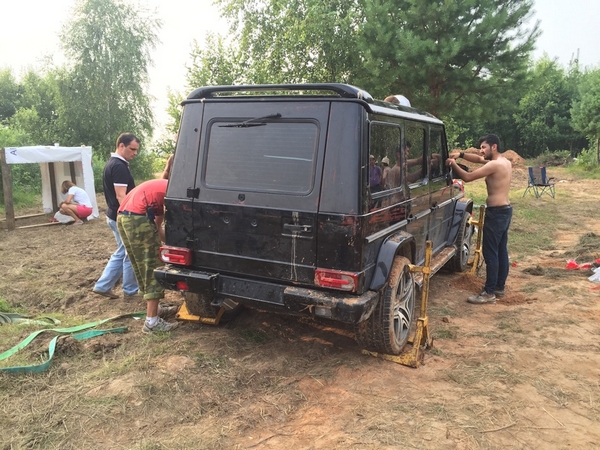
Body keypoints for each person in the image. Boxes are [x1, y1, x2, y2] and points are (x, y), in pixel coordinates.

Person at [446, 134, 512, 304]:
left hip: (496, 213)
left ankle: (489, 292)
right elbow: (477, 159)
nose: (481, 151)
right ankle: (499, 288)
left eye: (484, 147)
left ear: (494, 147)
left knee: (490, 253)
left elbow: (467, 177)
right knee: (501, 250)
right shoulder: (504, 162)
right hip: (505, 210)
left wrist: (453, 164)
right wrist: (460, 155)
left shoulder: (494, 165)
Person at [117, 178, 179, 333]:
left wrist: (173, 245)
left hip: (124, 217)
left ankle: (156, 309)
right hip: (138, 218)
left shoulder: (161, 188)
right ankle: (152, 322)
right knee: (153, 267)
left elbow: (158, 228)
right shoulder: (175, 191)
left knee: (141, 264)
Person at [92, 133, 140, 300]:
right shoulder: (118, 166)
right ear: (121, 145)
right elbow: (121, 196)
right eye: (132, 149)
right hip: (121, 215)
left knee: (122, 251)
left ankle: (103, 285)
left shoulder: (113, 164)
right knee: (130, 253)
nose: (135, 153)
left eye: (136, 150)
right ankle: (130, 292)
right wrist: (132, 217)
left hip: (113, 215)